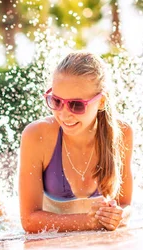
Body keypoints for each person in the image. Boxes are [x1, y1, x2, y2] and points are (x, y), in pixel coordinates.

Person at [19, 52, 133, 233]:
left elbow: (125, 205)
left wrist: (118, 217)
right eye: (56, 101)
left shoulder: (121, 133)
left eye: (76, 105)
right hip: (50, 248)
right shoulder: (36, 135)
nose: (64, 114)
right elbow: (28, 220)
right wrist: (90, 222)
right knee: (3, 221)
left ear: (101, 101)